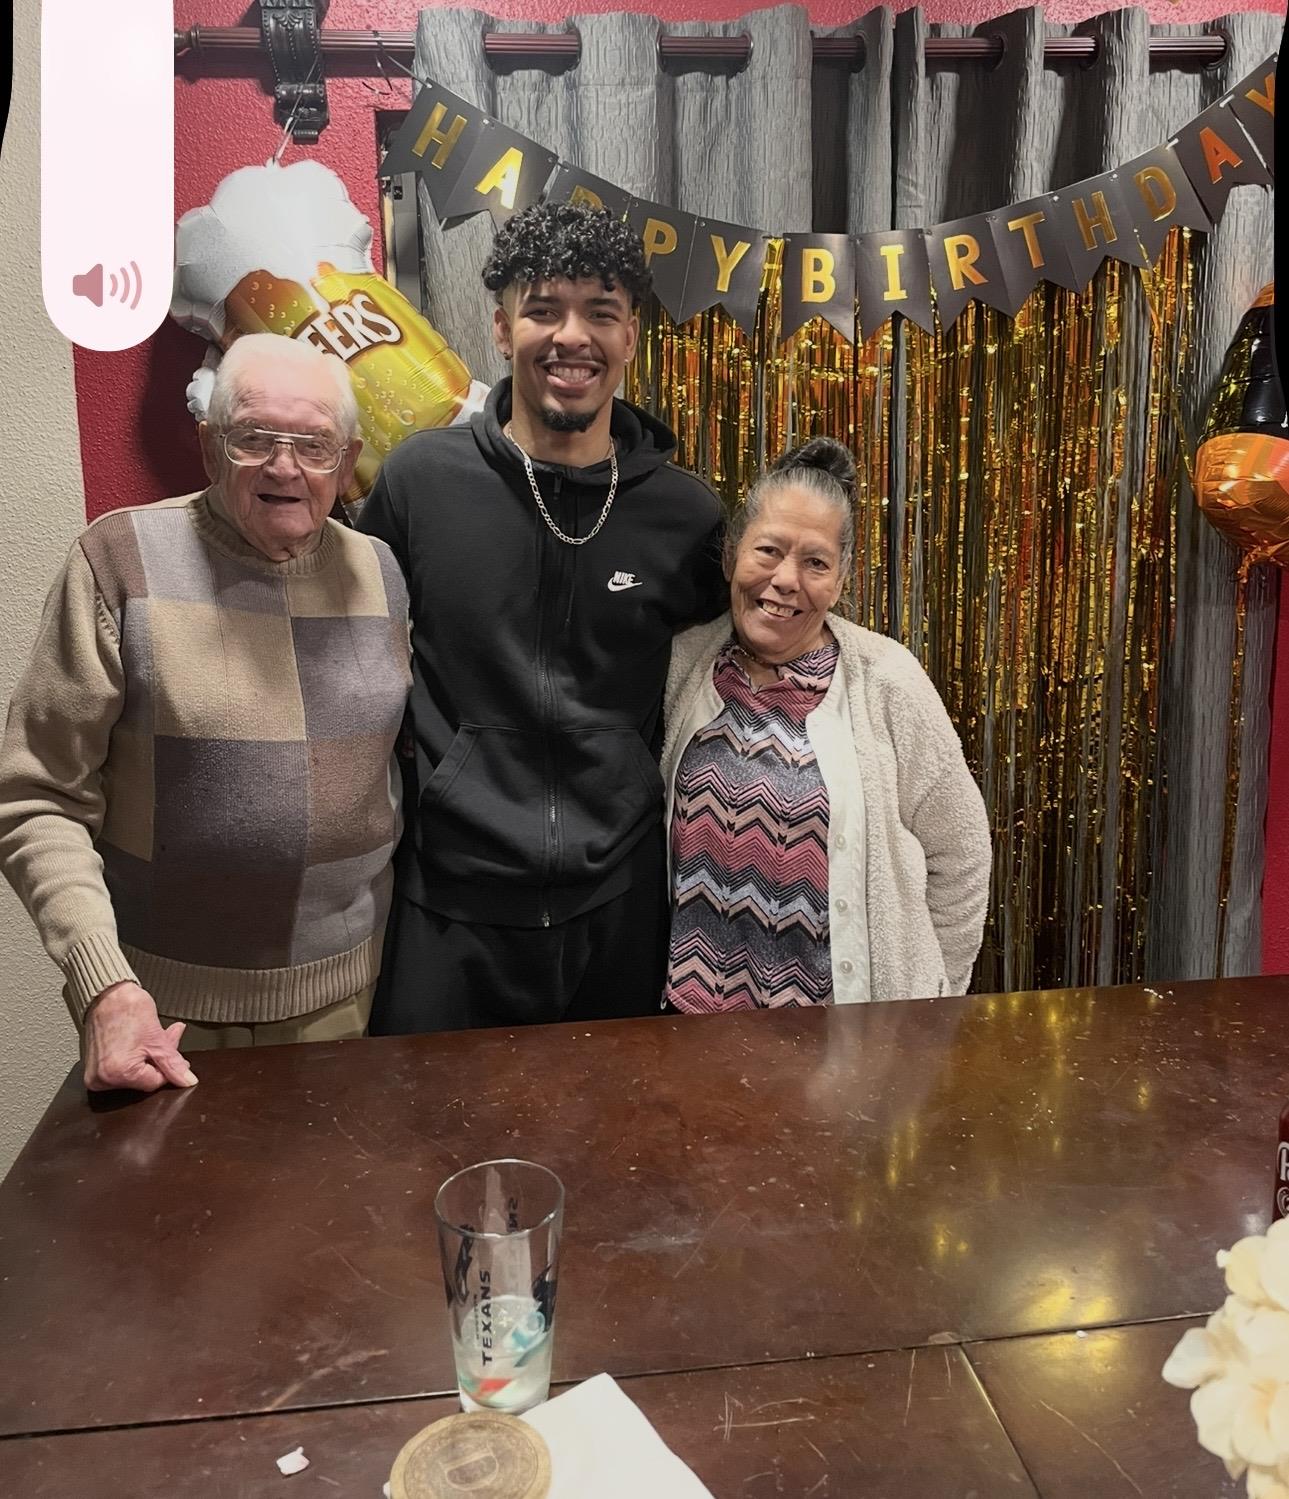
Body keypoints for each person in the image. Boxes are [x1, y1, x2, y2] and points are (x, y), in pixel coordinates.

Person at [0, 334, 411, 1091]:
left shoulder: (380, 570)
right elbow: (36, 796)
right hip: (163, 1016)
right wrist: (104, 984)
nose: (284, 466)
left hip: (350, 997)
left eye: (313, 444)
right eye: (254, 437)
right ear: (209, 445)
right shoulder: (118, 558)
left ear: (347, 459)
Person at [358, 202, 726, 1033]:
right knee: (431, 1120)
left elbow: (729, 677)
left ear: (630, 337)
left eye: (600, 312)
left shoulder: (685, 515)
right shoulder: (420, 483)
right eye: (543, 309)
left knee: (615, 1120)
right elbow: (344, 644)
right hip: (449, 904)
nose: (571, 336)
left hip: (620, 906)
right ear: (500, 327)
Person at [661, 437, 990, 1012]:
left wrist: (930, 1009)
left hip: (846, 1039)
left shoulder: (888, 682)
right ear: (731, 555)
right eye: (768, 551)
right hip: (693, 1028)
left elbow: (961, 853)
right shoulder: (685, 665)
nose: (786, 579)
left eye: (815, 562)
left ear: (840, 581)